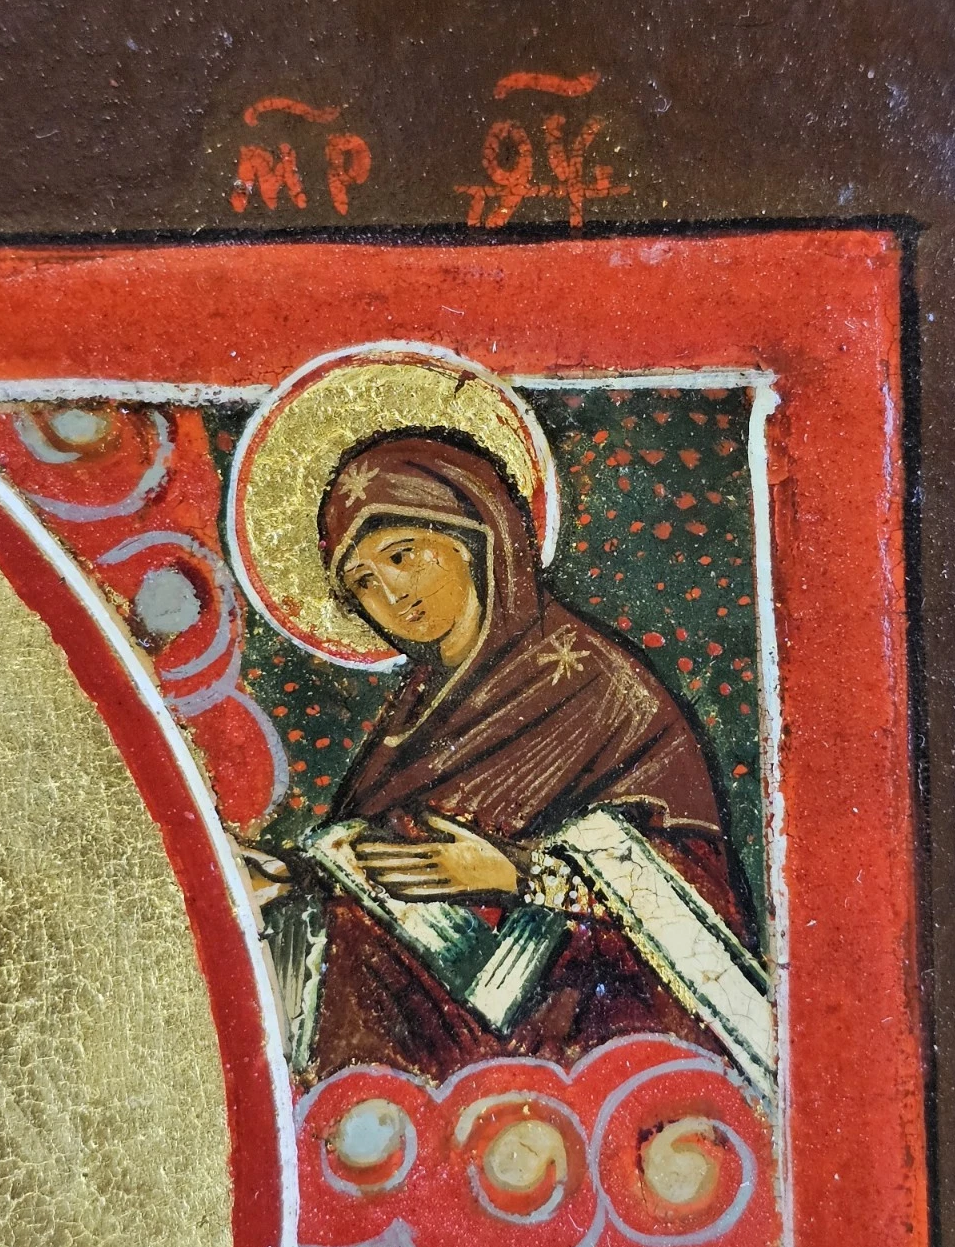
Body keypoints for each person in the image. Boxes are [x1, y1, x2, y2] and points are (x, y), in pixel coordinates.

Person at [271, 431, 765, 1091]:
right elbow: (367, 872)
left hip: (578, 1046)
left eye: (402, 555)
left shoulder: (596, 686)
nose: (390, 593)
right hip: (422, 1055)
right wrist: (292, 877)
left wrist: (517, 874)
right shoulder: (407, 724)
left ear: (474, 537)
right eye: (362, 582)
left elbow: (697, 901)